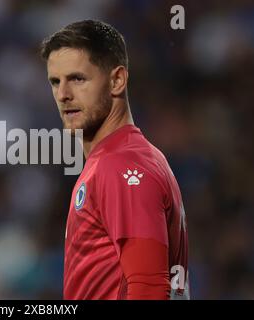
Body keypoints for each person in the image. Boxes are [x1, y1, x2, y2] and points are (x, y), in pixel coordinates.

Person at [40, 20, 189, 300]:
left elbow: (149, 288)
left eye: (77, 79)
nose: (63, 95)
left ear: (117, 80)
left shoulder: (121, 165)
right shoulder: (130, 158)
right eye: (55, 82)